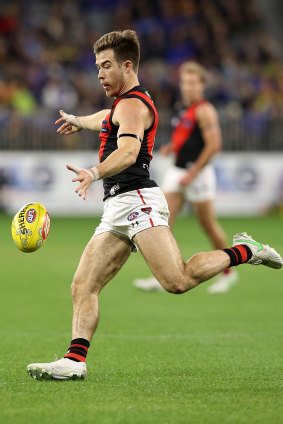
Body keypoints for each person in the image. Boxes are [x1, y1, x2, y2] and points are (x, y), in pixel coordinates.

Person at [27, 30, 283, 381]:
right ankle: (75, 361)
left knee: (176, 280)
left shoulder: (133, 104)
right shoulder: (122, 104)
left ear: (127, 65)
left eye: (105, 66)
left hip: (139, 202)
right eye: (97, 66)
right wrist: (78, 120)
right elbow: (104, 117)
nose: (99, 74)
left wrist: (93, 171)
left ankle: (245, 251)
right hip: (117, 207)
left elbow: (129, 151)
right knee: (83, 285)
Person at [133, 61, 237, 294]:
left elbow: (213, 146)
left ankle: (228, 272)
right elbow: (189, 138)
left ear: (201, 85)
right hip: (178, 170)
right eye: (185, 82)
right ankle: (164, 275)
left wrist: (193, 173)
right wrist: (171, 147)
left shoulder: (204, 109)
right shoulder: (183, 108)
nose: (188, 87)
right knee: (162, 222)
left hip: (197, 174)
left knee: (208, 226)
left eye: (193, 83)